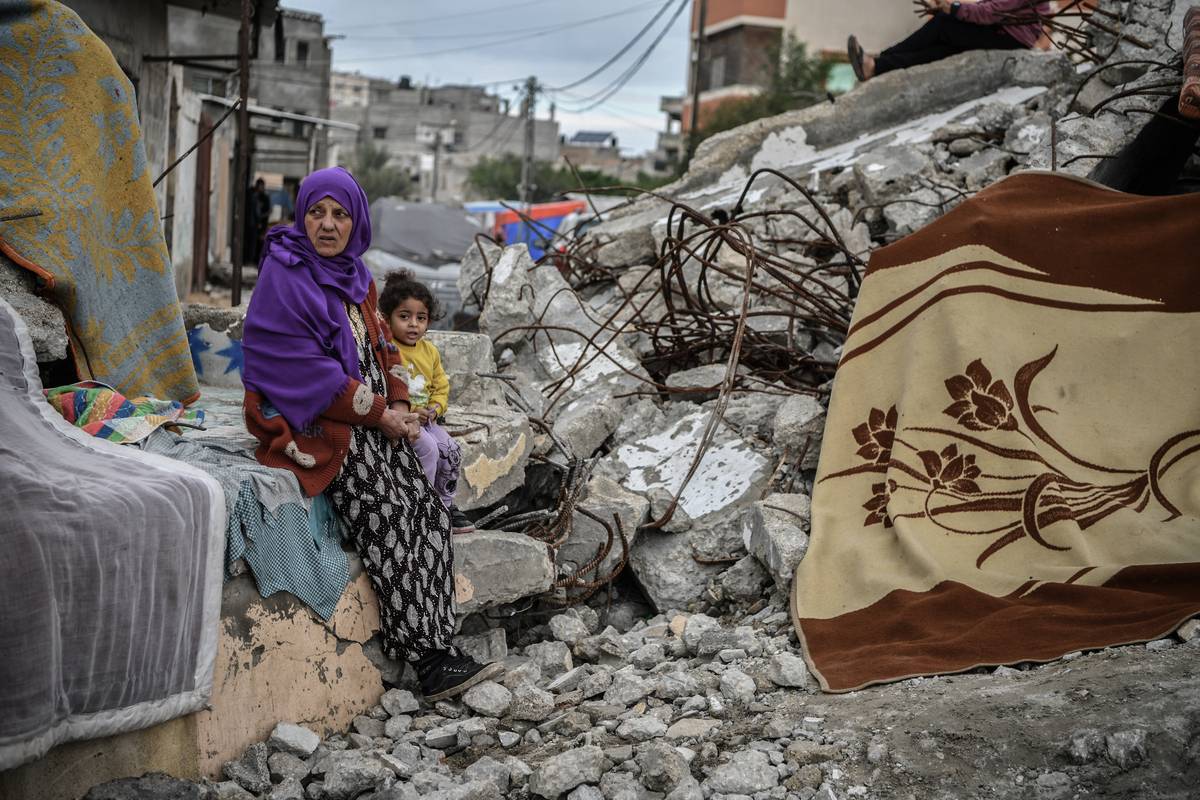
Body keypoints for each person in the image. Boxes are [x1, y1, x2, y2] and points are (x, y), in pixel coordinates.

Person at [240, 167, 502, 700]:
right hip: (320, 427)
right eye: (317, 212)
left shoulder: (358, 277)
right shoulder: (284, 275)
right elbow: (304, 373)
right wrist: (381, 414)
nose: (328, 225)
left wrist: (401, 404)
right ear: (300, 215)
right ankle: (427, 660)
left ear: (357, 219)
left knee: (427, 509)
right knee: (389, 514)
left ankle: (442, 644)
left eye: (340, 214)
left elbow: (385, 349)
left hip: (369, 416)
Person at [378, 271, 476, 536]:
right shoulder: (387, 349)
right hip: (405, 421)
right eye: (404, 317)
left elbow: (441, 387)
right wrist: (410, 412)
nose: (413, 325)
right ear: (387, 319)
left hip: (428, 420)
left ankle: (445, 507)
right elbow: (386, 389)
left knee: (452, 449)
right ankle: (422, 507)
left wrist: (435, 408)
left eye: (420, 318)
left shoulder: (429, 351)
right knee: (430, 451)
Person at [848, 0, 1049, 81]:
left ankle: (881, 58)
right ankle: (877, 66)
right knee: (943, 49)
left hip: (1009, 37)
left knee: (943, 24)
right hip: (1004, 32)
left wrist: (954, 9)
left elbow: (991, 12)